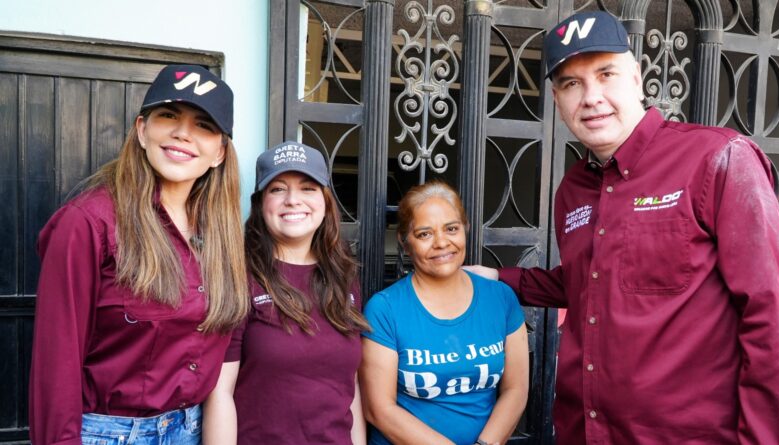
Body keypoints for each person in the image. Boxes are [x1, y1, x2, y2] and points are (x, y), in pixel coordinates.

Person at [465, 10, 779, 444]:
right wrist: (503, 280)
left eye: (606, 74)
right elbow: (594, 282)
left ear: (637, 78)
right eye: (571, 83)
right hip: (585, 431)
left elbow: (768, 317)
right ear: (556, 98)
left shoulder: (718, 160)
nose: (591, 96)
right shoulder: (572, 190)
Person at [29, 65, 250, 445]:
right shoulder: (87, 223)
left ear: (219, 152)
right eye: (169, 116)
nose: (183, 133)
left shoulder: (220, 236)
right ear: (142, 129)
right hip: (110, 434)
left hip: (192, 430)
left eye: (204, 125)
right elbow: (55, 366)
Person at [202, 141, 370, 444]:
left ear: (325, 201)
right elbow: (220, 393)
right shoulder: (239, 276)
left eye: (308, 188)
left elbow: (350, 386)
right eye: (277, 189)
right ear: (261, 203)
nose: (293, 200)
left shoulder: (343, 277)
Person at [360, 180, 529, 445]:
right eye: (424, 234)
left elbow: (515, 390)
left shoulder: (501, 299)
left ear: (465, 230)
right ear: (406, 244)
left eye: (451, 229)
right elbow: (379, 409)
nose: (441, 242)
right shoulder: (385, 309)